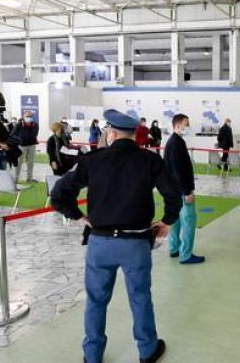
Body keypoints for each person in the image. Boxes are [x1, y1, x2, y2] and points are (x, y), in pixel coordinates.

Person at [50, 109, 182, 363]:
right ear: (135, 134)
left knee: (96, 301)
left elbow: (58, 194)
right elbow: (173, 194)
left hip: (100, 243)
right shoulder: (150, 160)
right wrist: (167, 220)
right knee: (140, 298)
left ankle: (92, 355)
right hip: (136, 243)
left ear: (111, 133)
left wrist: (79, 217)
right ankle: (147, 350)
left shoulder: (92, 160)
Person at [164, 114, 204, 265]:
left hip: (174, 190)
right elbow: (178, 171)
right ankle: (186, 254)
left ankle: (174, 248)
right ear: (177, 125)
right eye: (186, 124)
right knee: (188, 221)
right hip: (181, 191)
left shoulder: (175, 142)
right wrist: (187, 192)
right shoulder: (176, 143)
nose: (188, 126)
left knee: (176, 220)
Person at [11, 111, 39, 182]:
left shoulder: (35, 125)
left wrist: (26, 137)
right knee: (19, 162)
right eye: (27, 116)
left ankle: (29, 178)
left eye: (30, 116)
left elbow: (34, 135)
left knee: (30, 162)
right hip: (21, 146)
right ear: (23, 117)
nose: (29, 118)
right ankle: (16, 178)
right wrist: (19, 140)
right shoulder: (19, 125)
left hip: (31, 145)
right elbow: (12, 135)